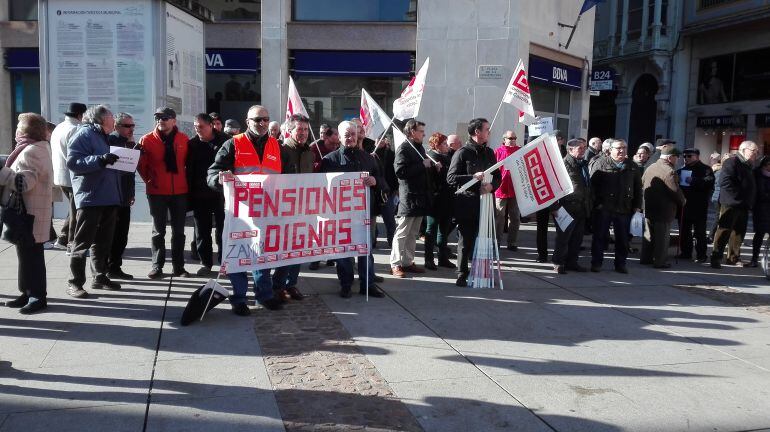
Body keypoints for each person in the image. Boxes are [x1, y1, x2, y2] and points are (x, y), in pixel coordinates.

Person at [207, 104, 284, 314]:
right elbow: (212, 174)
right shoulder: (233, 144)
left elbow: (286, 178)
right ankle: (239, 298)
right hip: (239, 213)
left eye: (265, 119)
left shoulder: (277, 146)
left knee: (263, 255)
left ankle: (264, 295)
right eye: (257, 120)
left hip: (266, 211)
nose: (262, 123)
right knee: (238, 256)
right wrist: (219, 179)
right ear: (247, 121)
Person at [320, 120, 387, 298]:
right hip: (341, 214)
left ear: (358, 136)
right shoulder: (329, 160)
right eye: (346, 134)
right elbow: (320, 188)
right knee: (343, 252)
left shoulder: (369, 158)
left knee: (366, 250)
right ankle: (346, 284)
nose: (350, 137)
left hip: (365, 213)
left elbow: (383, 183)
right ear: (339, 137)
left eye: (353, 134)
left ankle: (368, 284)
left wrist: (375, 182)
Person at [66, 105, 123, 298]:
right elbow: (73, 163)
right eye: (111, 116)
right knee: (82, 242)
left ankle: (99, 276)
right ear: (100, 119)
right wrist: (100, 160)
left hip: (107, 196)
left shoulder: (106, 136)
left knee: (103, 242)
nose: (114, 120)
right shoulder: (83, 134)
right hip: (91, 197)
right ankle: (75, 282)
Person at [0, 113, 54, 313]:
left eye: (18, 126)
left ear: (25, 131)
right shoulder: (34, 147)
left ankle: (38, 297)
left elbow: (23, 184)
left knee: (32, 258)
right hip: (28, 213)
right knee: (26, 255)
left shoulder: (31, 151)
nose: (15, 130)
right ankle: (27, 293)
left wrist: (1, 172)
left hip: (29, 214)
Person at [137, 107, 191, 279]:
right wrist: (151, 181)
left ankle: (179, 267)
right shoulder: (146, 140)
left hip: (179, 192)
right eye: (158, 117)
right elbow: (141, 165)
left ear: (174, 121)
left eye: (165, 117)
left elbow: (188, 164)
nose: (161, 120)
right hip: (157, 191)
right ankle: (157, 266)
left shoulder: (183, 139)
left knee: (179, 232)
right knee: (158, 231)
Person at [447, 118, 501, 287]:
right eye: (486, 129)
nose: (488, 132)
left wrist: (492, 186)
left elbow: (498, 176)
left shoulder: (490, 152)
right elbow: (451, 178)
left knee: (484, 239)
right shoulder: (462, 152)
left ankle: (481, 271)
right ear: (477, 132)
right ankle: (462, 273)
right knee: (466, 240)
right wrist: (472, 178)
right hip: (467, 204)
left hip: (486, 203)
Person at [271, 114, 314, 301]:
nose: (303, 133)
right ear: (289, 130)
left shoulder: (309, 153)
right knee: (284, 249)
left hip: (303, 208)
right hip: (283, 208)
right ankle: (278, 285)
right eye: (299, 129)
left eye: (305, 129)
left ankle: (291, 284)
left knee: (298, 248)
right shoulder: (280, 150)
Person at [589, 139, 642, 273]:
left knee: (623, 238)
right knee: (600, 236)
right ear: (610, 150)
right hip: (604, 207)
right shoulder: (600, 163)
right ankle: (596, 263)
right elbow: (591, 187)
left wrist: (637, 206)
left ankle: (620, 264)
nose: (621, 150)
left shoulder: (632, 166)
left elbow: (637, 188)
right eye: (618, 148)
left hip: (624, 207)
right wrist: (596, 204)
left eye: (624, 148)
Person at [390, 119, 434, 278]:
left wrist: (431, 166)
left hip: (420, 196)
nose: (424, 134)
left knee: (413, 232)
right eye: (421, 131)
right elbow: (400, 172)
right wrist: (422, 165)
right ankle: (395, 264)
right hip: (409, 197)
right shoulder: (404, 148)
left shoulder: (419, 148)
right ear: (411, 132)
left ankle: (407, 262)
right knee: (402, 232)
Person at [186, 113, 229, 276]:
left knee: (222, 230)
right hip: (199, 194)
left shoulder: (225, 141)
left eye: (201, 127)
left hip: (221, 194)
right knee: (202, 231)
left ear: (211, 125)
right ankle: (205, 263)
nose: (197, 129)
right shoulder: (192, 144)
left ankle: (225, 262)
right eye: (195, 127)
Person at [711, 141, 759, 268]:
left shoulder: (748, 165)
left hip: (743, 205)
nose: (756, 154)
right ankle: (716, 258)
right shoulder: (732, 162)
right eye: (754, 151)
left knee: (738, 233)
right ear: (743, 149)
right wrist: (739, 196)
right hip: (731, 203)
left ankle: (733, 257)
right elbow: (725, 182)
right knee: (724, 230)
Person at [640, 147, 686, 268]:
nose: (678, 159)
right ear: (670, 157)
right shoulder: (669, 171)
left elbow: (643, 182)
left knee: (648, 235)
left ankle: (646, 258)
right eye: (676, 157)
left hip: (649, 206)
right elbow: (675, 190)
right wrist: (683, 200)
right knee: (662, 237)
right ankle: (660, 262)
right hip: (663, 209)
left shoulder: (651, 167)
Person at [50, 102, 87, 250]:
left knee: (73, 209)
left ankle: (63, 239)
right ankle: (72, 243)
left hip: (60, 175)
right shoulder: (76, 129)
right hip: (72, 176)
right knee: (76, 212)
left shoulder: (59, 127)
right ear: (80, 115)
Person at [551, 138, 591, 274]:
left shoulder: (583, 164)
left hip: (581, 206)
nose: (583, 150)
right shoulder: (562, 165)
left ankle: (572, 262)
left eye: (584, 147)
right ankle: (558, 262)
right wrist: (554, 207)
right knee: (563, 237)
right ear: (570, 150)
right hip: (565, 207)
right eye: (580, 148)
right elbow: (553, 187)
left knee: (577, 238)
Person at [105, 112, 137, 280]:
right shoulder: (110, 142)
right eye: (127, 126)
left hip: (124, 195)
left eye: (132, 126)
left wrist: (131, 193)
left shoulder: (130, 143)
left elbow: (130, 172)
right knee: (111, 234)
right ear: (116, 126)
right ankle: (106, 268)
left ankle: (115, 267)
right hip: (112, 195)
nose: (131, 129)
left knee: (122, 234)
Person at [677, 148, 715, 262]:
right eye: (684, 156)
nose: (686, 158)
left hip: (699, 206)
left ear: (697, 156)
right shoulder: (682, 170)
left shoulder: (706, 169)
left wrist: (694, 180)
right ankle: (686, 252)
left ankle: (701, 255)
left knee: (699, 232)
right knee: (684, 230)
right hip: (685, 205)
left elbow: (709, 182)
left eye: (689, 156)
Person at [424, 132, 455, 269]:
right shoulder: (431, 157)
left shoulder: (446, 157)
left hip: (447, 198)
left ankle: (442, 257)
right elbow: (429, 180)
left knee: (444, 229)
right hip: (435, 199)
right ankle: (429, 259)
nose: (446, 146)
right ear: (436, 145)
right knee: (431, 229)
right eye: (443, 143)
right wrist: (434, 170)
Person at [494, 130, 521, 251]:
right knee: (499, 217)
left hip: (515, 190)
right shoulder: (497, 152)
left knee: (515, 217)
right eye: (510, 138)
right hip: (501, 189)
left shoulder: (520, 151)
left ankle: (512, 242)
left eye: (514, 138)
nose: (513, 140)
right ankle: (497, 241)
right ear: (504, 139)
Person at [374, 136, 398, 249]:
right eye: (380, 140)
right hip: (374, 190)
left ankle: (392, 240)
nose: (382, 142)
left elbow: (395, 173)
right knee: (372, 217)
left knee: (389, 218)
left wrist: (396, 189)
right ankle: (373, 239)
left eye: (384, 139)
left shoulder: (391, 154)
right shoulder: (371, 153)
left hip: (389, 190)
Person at [750, 156, 770, 267]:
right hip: (760, 209)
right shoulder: (757, 175)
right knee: (759, 234)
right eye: (768, 165)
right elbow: (758, 192)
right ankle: (754, 258)